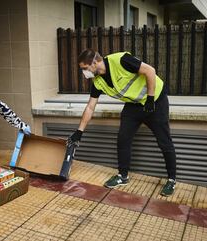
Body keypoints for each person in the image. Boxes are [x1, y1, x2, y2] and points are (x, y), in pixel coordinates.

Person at [67, 49, 177, 196]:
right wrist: (79, 131)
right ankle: (123, 176)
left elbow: (150, 71)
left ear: (94, 63)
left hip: (155, 100)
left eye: (85, 69)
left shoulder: (120, 60)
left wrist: (150, 99)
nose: (84, 73)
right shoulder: (97, 81)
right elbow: (90, 107)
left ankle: (171, 180)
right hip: (134, 105)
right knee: (123, 139)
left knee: (164, 141)